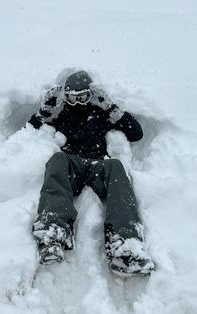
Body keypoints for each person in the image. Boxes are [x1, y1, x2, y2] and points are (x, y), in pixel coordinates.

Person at [28, 71, 155, 275]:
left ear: (91, 95)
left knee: (116, 165)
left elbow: (136, 133)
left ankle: (125, 242)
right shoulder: (60, 114)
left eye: (82, 97)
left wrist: (110, 107)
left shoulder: (100, 112)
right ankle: (54, 231)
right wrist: (44, 113)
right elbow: (28, 133)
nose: (77, 103)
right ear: (65, 96)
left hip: (99, 165)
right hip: (72, 165)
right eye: (72, 98)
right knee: (56, 159)